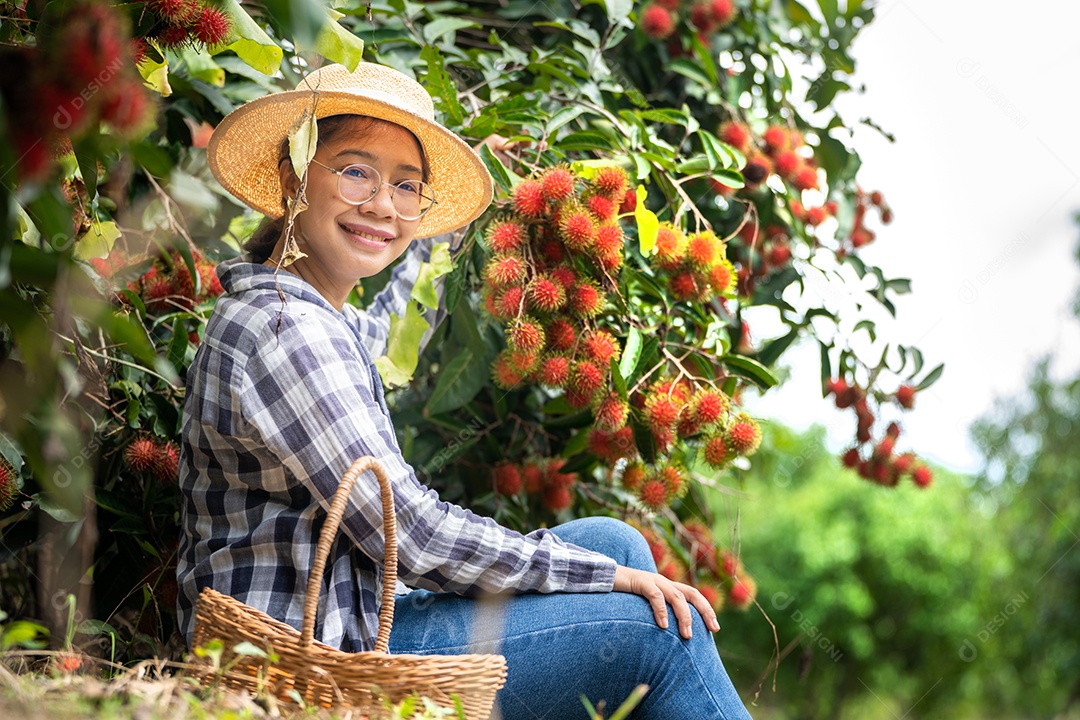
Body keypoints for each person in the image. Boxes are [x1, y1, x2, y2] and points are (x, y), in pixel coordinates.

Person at [178, 62, 753, 720]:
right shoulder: (289, 332)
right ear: (292, 178)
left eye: (406, 186)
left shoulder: (303, 312)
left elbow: (390, 327)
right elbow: (416, 537)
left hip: (356, 616)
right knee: (660, 630)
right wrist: (601, 581)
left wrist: (449, 232)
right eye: (355, 171)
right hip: (317, 662)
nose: (383, 206)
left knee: (615, 541)